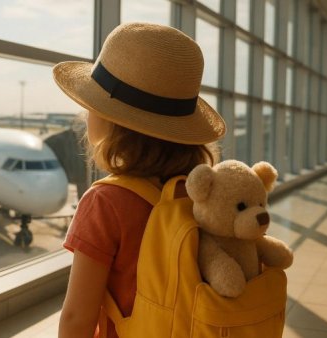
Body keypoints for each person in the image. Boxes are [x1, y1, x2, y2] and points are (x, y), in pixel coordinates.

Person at [52, 22, 226, 338]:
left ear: (109, 121)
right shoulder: (202, 192)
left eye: (91, 106)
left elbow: (77, 317)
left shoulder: (106, 202)